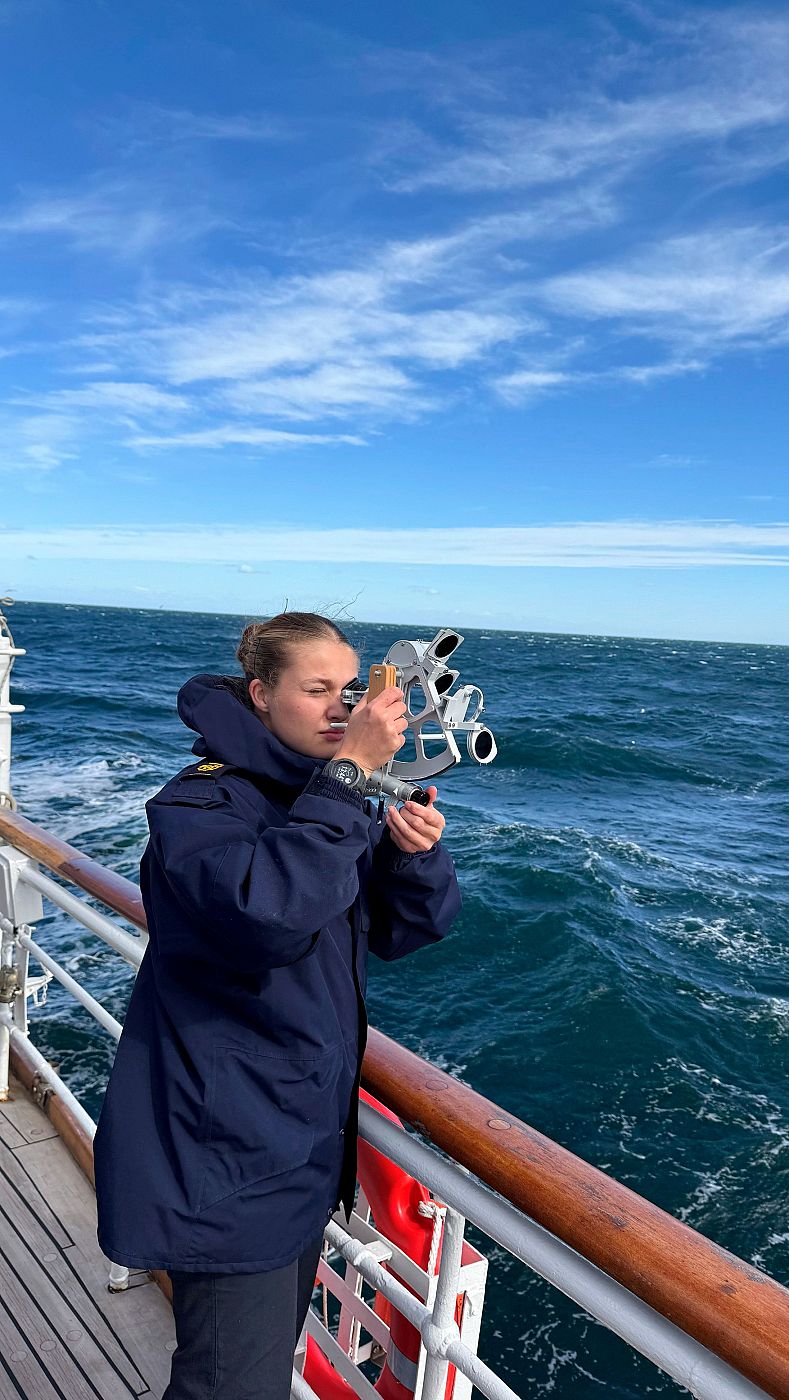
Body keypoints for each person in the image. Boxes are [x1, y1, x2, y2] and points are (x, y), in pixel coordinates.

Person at [93, 611, 462, 1400]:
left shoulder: (316, 797)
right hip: (226, 1154)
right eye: (317, 689)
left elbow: (399, 931)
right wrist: (349, 777)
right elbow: (266, 916)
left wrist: (411, 856)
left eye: (350, 689)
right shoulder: (202, 805)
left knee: (248, 1374)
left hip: (294, 1146)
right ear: (260, 694)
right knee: (230, 1384)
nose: (342, 708)